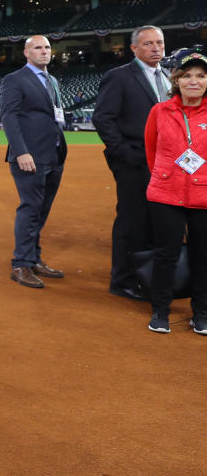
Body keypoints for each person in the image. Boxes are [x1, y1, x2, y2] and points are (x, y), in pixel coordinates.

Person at [92, 26, 167, 300]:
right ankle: (122, 280)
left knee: (153, 220)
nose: (156, 48)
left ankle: (144, 275)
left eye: (159, 42)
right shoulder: (119, 76)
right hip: (134, 160)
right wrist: (124, 152)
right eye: (148, 44)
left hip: (165, 163)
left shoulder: (169, 77)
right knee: (132, 219)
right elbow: (102, 118)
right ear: (134, 48)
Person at [142, 48, 207, 335]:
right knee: (166, 254)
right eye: (188, 75)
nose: (194, 81)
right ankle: (160, 311)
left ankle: (202, 313)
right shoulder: (160, 111)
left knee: (202, 255)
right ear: (177, 80)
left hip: (203, 195)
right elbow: (151, 150)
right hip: (166, 194)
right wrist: (166, 176)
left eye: (201, 76)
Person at [0, 35, 68, 288]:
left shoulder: (53, 81)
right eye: (37, 48)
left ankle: (34, 258)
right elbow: (9, 116)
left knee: (41, 210)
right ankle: (21, 264)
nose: (44, 51)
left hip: (54, 153)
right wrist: (21, 152)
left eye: (47, 47)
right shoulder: (15, 80)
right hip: (30, 155)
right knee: (30, 208)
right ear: (26, 53)